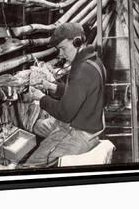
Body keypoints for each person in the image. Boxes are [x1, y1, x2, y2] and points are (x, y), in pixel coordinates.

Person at [24, 22, 106, 166]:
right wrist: (52, 87)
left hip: (79, 134)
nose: (61, 55)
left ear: (77, 42)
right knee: (35, 126)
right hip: (87, 124)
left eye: (62, 48)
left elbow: (64, 113)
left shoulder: (82, 70)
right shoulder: (94, 61)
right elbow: (78, 93)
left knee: (30, 164)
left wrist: (41, 98)